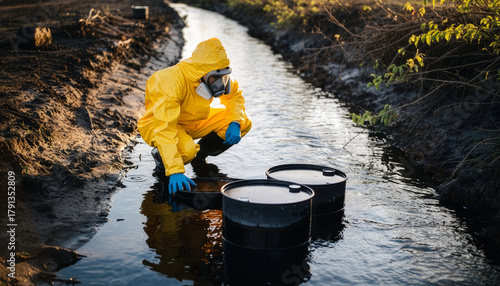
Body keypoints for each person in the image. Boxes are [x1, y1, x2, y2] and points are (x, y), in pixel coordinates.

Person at [137, 38, 252, 194]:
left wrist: (235, 122)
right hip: (158, 125)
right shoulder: (170, 80)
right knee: (187, 152)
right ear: (203, 73)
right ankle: (161, 157)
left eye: (224, 76)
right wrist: (175, 171)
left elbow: (234, 96)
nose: (221, 82)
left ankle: (200, 156)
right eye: (216, 78)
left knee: (243, 122)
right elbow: (165, 127)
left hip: (192, 120)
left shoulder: (215, 73)